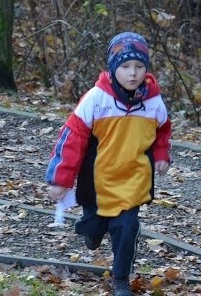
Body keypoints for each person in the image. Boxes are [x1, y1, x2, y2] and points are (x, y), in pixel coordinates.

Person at [45, 32, 172, 296]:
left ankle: (121, 278)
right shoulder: (96, 99)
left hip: (133, 179)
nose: (132, 73)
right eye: (125, 66)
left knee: (126, 229)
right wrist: (60, 178)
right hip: (98, 181)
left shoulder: (153, 102)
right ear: (113, 68)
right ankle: (93, 231)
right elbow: (72, 137)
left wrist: (161, 154)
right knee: (92, 226)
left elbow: (163, 130)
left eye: (139, 66)